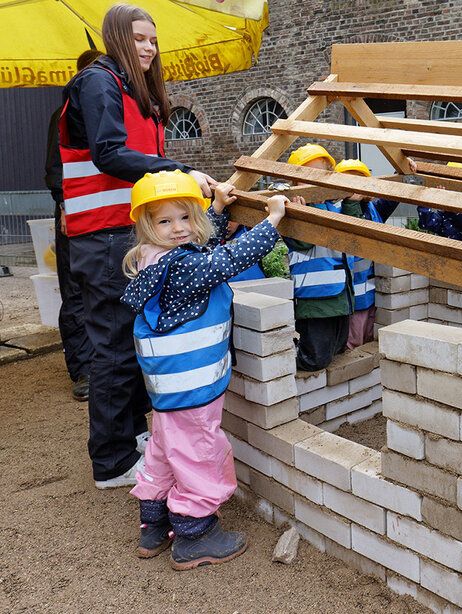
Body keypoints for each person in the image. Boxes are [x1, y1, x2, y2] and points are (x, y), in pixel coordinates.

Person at [58, 4, 217, 489]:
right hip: (103, 234)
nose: (149, 47)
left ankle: (127, 436)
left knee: (129, 339)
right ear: (117, 40)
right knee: (112, 347)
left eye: (153, 39)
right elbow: (109, 153)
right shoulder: (98, 82)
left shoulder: (130, 89)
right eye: (140, 39)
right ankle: (110, 461)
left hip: (122, 232)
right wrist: (179, 172)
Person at [120, 170, 288, 569]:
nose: (177, 228)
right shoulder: (181, 269)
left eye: (184, 217)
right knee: (199, 451)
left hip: (167, 389)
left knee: (164, 449)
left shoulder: (155, 257)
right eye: (165, 221)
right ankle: (195, 534)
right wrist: (273, 220)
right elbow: (224, 260)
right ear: (147, 225)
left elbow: (197, 251)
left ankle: (155, 525)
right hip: (193, 387)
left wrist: (215, 209)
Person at [45, 49, 102, 401]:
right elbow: (55, 169)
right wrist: (65, 207)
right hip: (75, 212)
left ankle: (111, 361)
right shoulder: (62, 115)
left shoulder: (112, 111)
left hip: (108, 214)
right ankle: (83, 369)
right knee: (77, 290)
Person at [283, 144, 354, 371]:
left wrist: (353, 201)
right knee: (315, 358)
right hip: (315, 299)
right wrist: (301, 214)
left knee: (337, 350)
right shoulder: (292, 212)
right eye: (307, 176)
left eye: (320, 175)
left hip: (340, 295)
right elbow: (303, 241)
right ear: (295, 183)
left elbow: (352, 234)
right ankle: (283, 360)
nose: (314, 182)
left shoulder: (333, 208)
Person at [332, 159, 402, 349]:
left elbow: (393, 194)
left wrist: (401, 170)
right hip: (351, 299)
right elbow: (354, 235)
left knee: (369, 343)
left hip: (371, 294)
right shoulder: (337, 211)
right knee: (353, 344)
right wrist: (352, 202)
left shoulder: (373, 209)